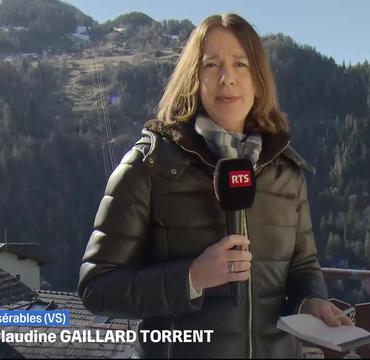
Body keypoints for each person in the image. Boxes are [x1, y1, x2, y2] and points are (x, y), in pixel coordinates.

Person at [78, 13, 353, 358]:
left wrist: (312, 300)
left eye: (241, 64)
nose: (228, 78)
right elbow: (97, 287)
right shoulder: (149, 166)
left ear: (258, 80)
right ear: (193, 77)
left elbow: (303, 266)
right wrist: (191, 277)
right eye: (212, 65)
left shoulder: (286, 172)